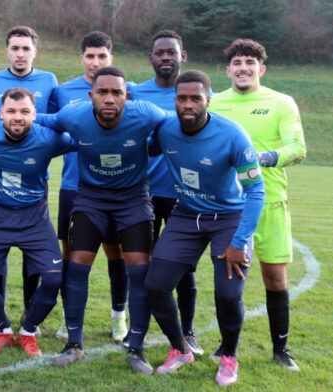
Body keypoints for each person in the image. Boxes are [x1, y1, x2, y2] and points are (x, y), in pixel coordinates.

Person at [37, 66, 166, 373]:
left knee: (139, 270)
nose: (109, 98)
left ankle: (136, 349)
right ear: (91, 95)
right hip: (91, 198)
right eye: (103, 92)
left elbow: (177, 127)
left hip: (133, 199)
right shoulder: (74, 116)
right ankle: (74, 344)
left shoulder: (146, 113)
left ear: (128, 97)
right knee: (78, 263)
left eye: (117, 93)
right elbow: (44, 120)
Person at [145, 70, 265, 386]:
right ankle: (180, 349)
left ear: (207, 101)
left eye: (195, 98)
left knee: (227, 295)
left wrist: (240, 241)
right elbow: (143, 148)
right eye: (182, 98)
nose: (188, 104)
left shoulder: (233, 135)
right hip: (186, 215)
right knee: (156, 285)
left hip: (229, 219)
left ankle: (228, 357)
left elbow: (256, 191)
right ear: (174, 101)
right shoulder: (166, 130)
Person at [209, 39, 306, 372]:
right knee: (229, 281)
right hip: (229, 207)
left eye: (250, 62)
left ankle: (281, 349)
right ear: (228, 70)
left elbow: (297, 147)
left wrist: (263, 158)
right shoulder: (215, 102)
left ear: (260, 69)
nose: (243, 67)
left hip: (271, 202)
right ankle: (226, 344)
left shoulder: (281, 102)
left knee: (275, 279)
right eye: (237, 62)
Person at [0, 87, 74, 357]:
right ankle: (2, 330)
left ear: (36, 114)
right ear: (0, 114)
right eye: (11, 111)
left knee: (54, 279)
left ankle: (28, 332)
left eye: (24, 112)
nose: (17, 117)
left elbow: (89, 134)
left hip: (35, 218)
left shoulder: (50, 138)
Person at [48, 31, 128, 344]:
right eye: (90, 56)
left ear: (111, 58)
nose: (96, 62)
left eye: (102, 56)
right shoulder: (63, 91)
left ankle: (119, 317)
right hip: (73, 186)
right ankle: (70, 320)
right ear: (81, 58)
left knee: (116, 253)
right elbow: (50, 128)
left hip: (114, 189)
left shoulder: (124, 91)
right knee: (71, 255)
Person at [0, 25, 58, 333]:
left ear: (34, 52)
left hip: (36, 177)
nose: (20, 53)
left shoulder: (49, 80)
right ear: (7, 51)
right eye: (15, 48)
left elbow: (55, 122)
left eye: (26, 48)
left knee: (33, 254)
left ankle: (29, 312)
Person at [129, 30, 202, 355]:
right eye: (159, 52)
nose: (165, 57)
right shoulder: (135, 93)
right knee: (142, 265)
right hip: (142, 194)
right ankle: (138, 330)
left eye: (171, 52)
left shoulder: (193, 93)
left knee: (182, 268)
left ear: (182, 55)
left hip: (183, 197)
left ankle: (188, 332)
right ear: (151, 58)